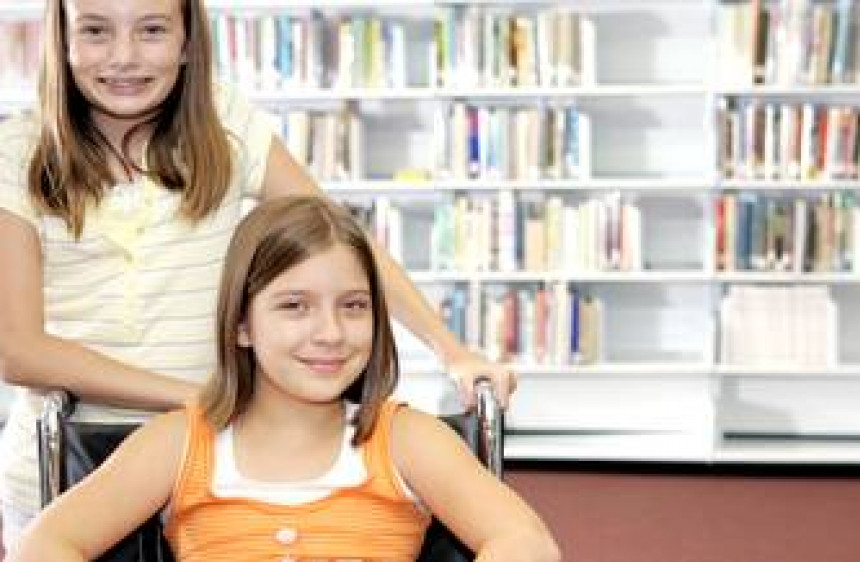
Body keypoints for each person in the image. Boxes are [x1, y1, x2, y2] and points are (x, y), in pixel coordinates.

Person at [0, 0, 516, 547]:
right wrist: (201, 397)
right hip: (71, 458)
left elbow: (339, 241)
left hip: (223, 452)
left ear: (188, 42)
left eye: (152, 30)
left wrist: (449, 347)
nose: (124, 57)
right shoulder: (18, 153)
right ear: (60, 39)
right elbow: (19, 350)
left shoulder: (224, 124)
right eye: (96, 32)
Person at [7, 195, 560, 561]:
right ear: (243, 325)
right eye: (294, 306)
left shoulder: (405, 439)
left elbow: (524, 540)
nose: (330, 333)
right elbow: (48, 543)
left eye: (353, 306)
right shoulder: (179, 442)